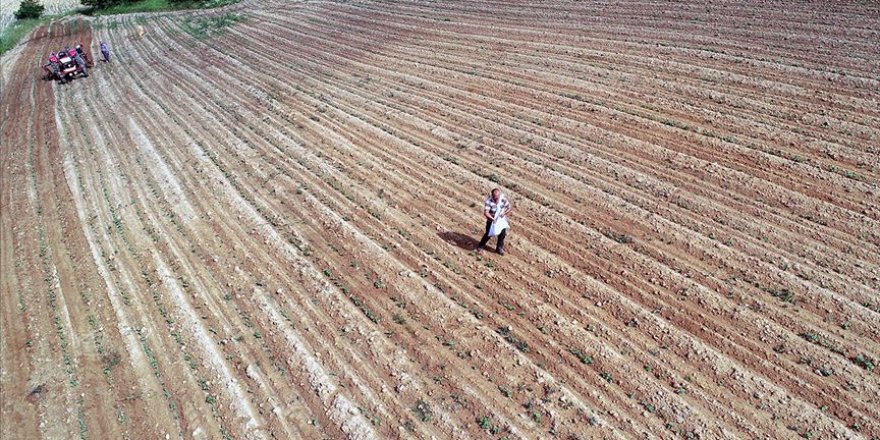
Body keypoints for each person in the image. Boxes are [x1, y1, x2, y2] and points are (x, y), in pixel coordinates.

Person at [476, 188, 513, 255]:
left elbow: (509, 207)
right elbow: (486, 213)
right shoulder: (488, 201)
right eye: (495, 197)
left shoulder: (503, 199)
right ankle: (481, 246)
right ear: (492, 196)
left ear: (499, 195)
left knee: (502, 234)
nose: (496, 199)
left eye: (497, 197)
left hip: (500, 220)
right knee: (488, 233)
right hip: (491, 220)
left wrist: (504, 213)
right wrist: (492, 219)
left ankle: (499, 248)